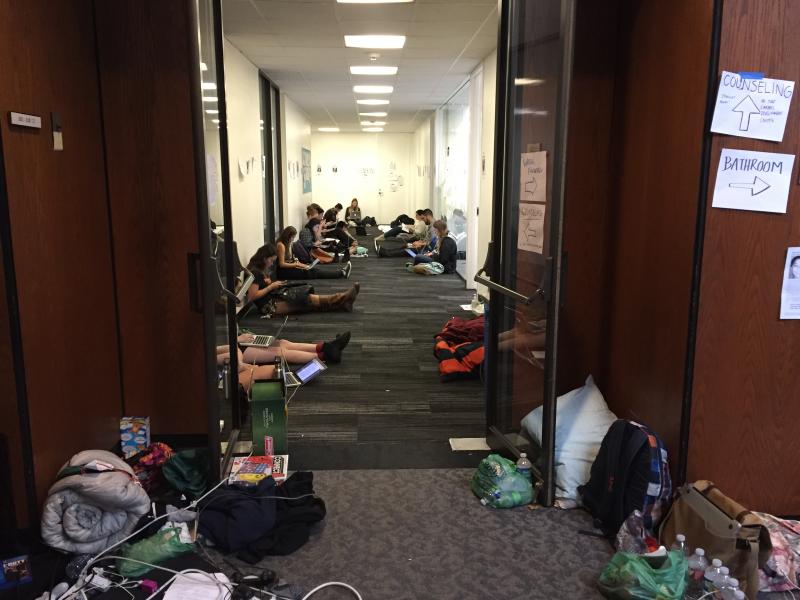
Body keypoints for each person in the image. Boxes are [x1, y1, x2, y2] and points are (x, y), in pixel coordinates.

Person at [245, 243, 359, 315]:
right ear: (264, 258)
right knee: (308, 300)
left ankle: (343, 301)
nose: (271, 264)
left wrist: (268, 283)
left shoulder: (257, 269)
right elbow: (252, 296)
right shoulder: (255, 272)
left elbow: (258, 287)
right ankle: (343, 298)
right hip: (270, 306)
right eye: (271, 260)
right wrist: (271, 286)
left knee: (306, 297)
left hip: (273, 298)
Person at [276, 226, 350, 279]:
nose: (292, 239)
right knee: (313, 272)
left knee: (313, 270)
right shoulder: (281, 245)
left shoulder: (288, 244)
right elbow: (282, 264)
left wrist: (297, 263)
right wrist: (296, 264)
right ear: (288, 236)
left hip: (288, 269)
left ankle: (341, 272)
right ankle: (341, 273)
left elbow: (289, 260)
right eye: (292, 237)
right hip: (284, 273)